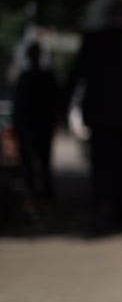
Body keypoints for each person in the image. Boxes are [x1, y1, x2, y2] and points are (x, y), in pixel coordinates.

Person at [66, 0, 122, 233]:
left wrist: (63, 106)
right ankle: (120, 212)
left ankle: (100, 209)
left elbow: (76, 77)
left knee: (99, 165)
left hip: (99, 114)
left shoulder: (92, 41)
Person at [12, 39, 60, 201]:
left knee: (37, 161)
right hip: (37, 125)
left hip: (35, 125)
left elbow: (20, 104)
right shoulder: (42, 77)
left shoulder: (31, 77)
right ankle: (39, 191)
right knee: (39, 161)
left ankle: (39, 191)